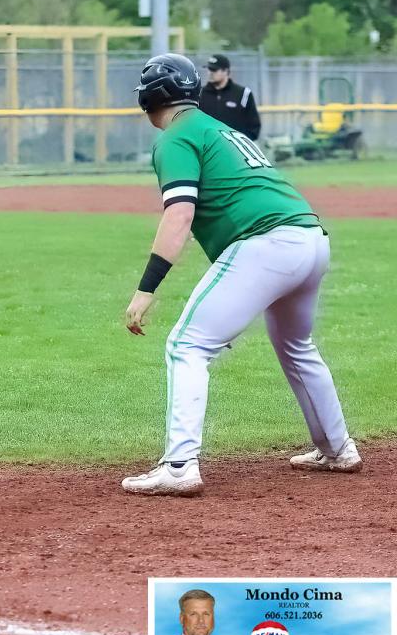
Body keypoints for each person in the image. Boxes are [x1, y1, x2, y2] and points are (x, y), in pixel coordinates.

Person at [122, 54, 358, 496]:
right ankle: (338, 447)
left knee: (187, 346)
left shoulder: (176, 137)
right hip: (310, 239)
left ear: (150, 98)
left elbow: (179, 216)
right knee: (297, 347)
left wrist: (146, 289)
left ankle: (179, 466)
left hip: (266, 245)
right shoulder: (220, 129)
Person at [199, 54, 261, 141]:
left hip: (234, 147)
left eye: (214, 69)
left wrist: (239, 142)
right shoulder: (200, 93)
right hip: (207, 147)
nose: (210, 73)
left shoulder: (243, 94)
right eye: (209, 69)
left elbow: (254, 128)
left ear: (226, 71)